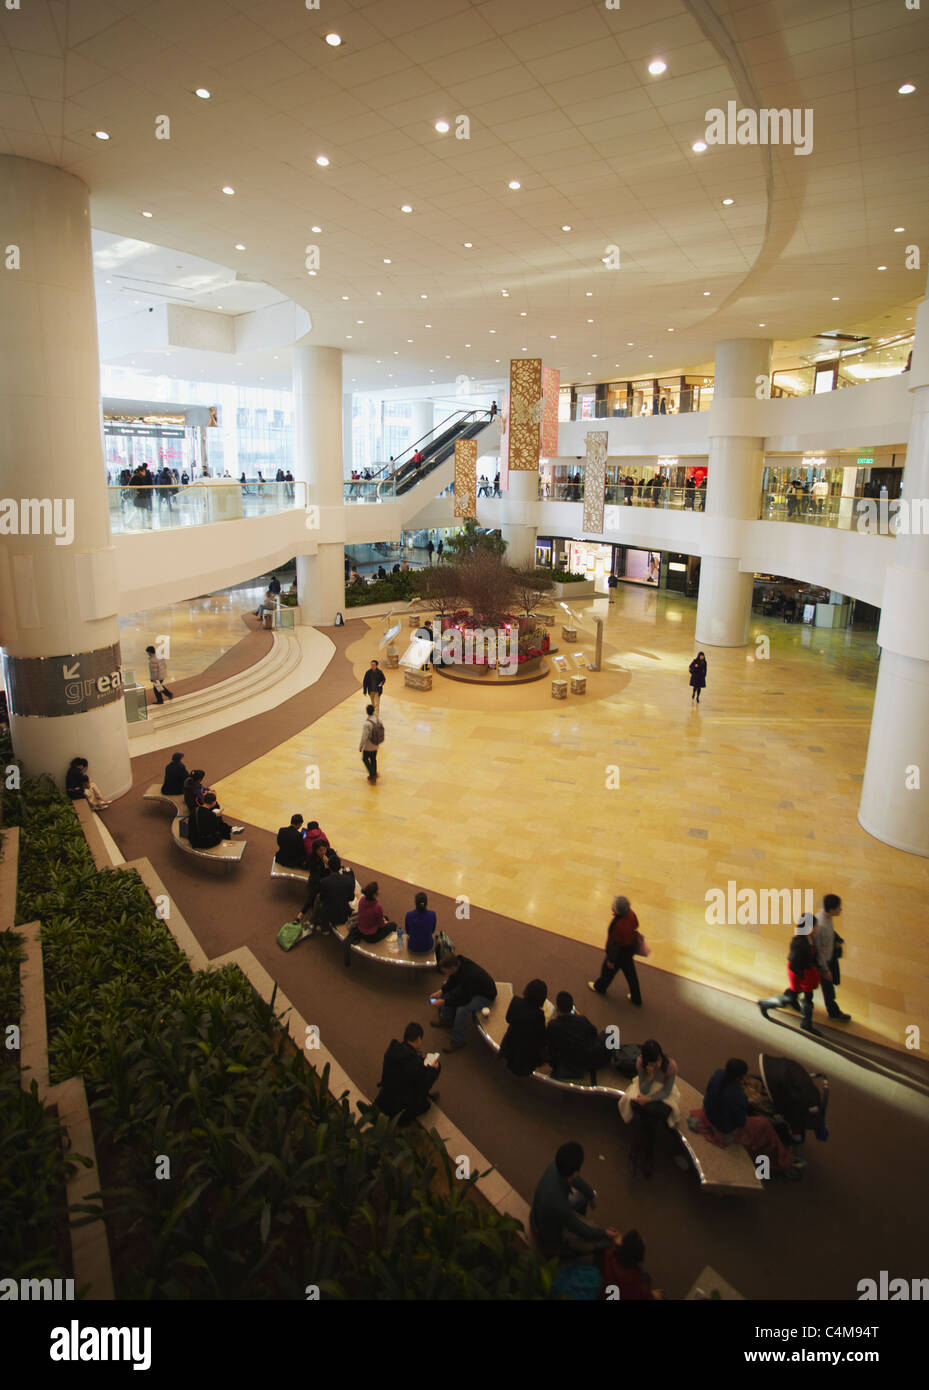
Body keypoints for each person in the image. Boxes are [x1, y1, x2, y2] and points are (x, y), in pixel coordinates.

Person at [697, 1058, 806, 1179]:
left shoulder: (718, 1074)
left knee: (757, 1122)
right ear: (740, 1076)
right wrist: (748, 1102)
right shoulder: (736, 1095)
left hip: (708, 1115)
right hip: (724, 1131)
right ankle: (782, 1162)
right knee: (764, 1125)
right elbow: (741, 1122)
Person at [530, 1142, 618, 1260]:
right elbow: (581, 1230)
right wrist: (605, 1233)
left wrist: (590, 1196)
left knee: (581, 1199)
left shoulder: (554, 1167)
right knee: (602, 1244)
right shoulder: (560, 1205)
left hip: (537, 1217)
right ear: (576, 1170)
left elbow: (576, 1181)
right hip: (546, 1240)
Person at [618, 1039, 679, 1178]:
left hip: (661, 1093)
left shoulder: (670, 1066)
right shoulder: (640, 1062)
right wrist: (650, 1076)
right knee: (649, 1119)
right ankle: (649, 1155)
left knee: (644, 1113)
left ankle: (634, 1152)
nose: (657, 1064)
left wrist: (648, 1100)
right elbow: (644, 1088)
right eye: (652, 1062)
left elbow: (667, 1091)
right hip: (649, 1089)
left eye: (658, 1060)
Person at [758, 915, 822, 1035]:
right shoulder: (798, 943)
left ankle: (806, 1021)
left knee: (804, 996)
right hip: (798, 974)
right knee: (793, 996)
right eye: (815, 926)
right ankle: (766, 1004)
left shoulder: (810, 938)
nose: (817, 928)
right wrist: (803, 976)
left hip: (805, 973)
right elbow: (794, 963)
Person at [374, 1022, 441, 1124]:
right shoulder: (414, 1064)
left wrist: (418, 1059)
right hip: (398, 1111)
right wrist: (434, 1070)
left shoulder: (393, 1049)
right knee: (426, 1105)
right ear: (418, 1039)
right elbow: (423, 1085)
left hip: (383, 1099)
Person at [432, 953, 497, 1052]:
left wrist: (445, 1001)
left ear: (453, 967)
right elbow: (452, 980)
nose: (446, 974)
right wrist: (442, 991)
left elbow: (463, 998)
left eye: (446, 972)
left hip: (485, 995)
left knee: (462, 1010)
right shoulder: (458, 963)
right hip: (472, 988)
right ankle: (447, 1019)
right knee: (448, 993)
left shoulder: (469, 976)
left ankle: (458, 1040)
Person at [543, 991, 610, 1080]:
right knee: (609, 1035)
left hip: (564, 1061)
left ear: (557, 1008)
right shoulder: (582, 1020)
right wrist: (580, 1017)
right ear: (572, 1008)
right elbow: (594, 1033)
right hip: (586, 1057)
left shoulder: (553, 1025)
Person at [589, 895, 642, 1005]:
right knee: (631, 974)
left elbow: (614, 945)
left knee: (607, 972)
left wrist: (611, 960)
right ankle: (636, 998)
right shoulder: (632, 914)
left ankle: (599, 987)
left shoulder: (616, 924)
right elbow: (636, 925)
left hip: (618, 954)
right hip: (630, 950)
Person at [500, 978, 548, 1076]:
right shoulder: (539, 1015)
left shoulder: (516, 1001)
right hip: (526, 1054)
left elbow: (508, 1019)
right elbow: (541, 1036)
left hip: (510, 1042)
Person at [815, 894, 851, 1022]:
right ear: (831, 910)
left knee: (817, 984)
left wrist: (836, 940)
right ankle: (833, 1012)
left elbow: (830, 934)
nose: (840, 910)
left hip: (828, 958)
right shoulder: (822, 925)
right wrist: (825, 970)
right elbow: (819, 950)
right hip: (824, 963)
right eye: (838, 908)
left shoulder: (826, 918)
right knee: (828, 989)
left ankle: (795, 994)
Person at [599, 1230, 662, 1300]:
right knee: (648, 1278)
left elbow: (615, 1249)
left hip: (608, 1292)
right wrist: (653, 1295)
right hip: (626, 1292)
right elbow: (645, 1295)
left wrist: (617, 1241)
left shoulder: (608, 1256)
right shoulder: (637, 1281)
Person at [294, 844, 343, 927]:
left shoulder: (330, 852)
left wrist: (328, 864)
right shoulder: (312, 857)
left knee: (317, 896)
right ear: (315, 851)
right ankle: (304, 913)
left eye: (324, 849)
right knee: (315, 890)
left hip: (328, 877)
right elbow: (314, 872)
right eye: (320, 850)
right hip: (318, 877)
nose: (323, 852)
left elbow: (335, 865)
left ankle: (304, 914)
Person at [404, 891, 436, 956]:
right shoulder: (433, 914)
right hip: (428, 946)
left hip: (412, 946)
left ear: (415, 903)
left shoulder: (408, 915)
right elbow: (432, 931)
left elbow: (408, 932)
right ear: (426, 903)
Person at [360, 703, 384, 782]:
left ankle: (372, 773)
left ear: (367, 712)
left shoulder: (367, 724)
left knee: (365, 759)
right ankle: (374, 773)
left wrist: (361, 746)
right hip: (376, 744)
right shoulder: (378, 720)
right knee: (373, 759)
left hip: (368, 745)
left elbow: (364, 736)